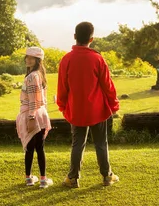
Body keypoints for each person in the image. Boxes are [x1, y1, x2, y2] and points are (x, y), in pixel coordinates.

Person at [57, 21, 120, 188]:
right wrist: (114, 105)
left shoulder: (66, 60)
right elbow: (108, 85)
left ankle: (72, 178)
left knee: (78, 144)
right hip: (98, 110)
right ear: (91, 39)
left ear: (75, 37)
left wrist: (63, 106)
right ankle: (107, 176)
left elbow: (62, 87)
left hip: (76, 110)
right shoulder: (97, 59)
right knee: (101, 143)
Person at [16, 46, 53, 189]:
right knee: (38, 148)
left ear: (38, 60)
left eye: (31, 58)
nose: (27, 59)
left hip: (33, 114)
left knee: (32, 148)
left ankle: (31, 179)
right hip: (40, 113)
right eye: (27, 57)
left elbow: (33, 99)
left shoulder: (32, 76)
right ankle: (40, 179)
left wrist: (31, 118)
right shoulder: (39, 75)